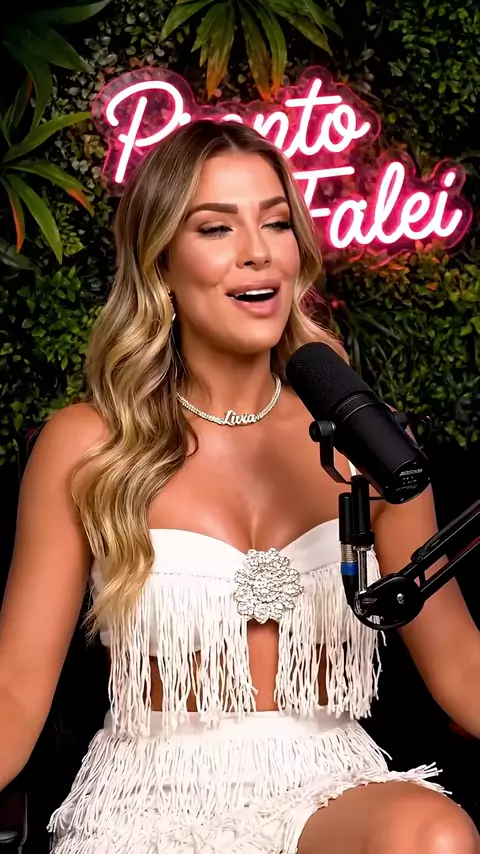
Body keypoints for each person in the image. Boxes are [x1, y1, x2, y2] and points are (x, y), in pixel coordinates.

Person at [0, 119, 479, 854]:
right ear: (161, 263)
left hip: (330, 789)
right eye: (216, 227)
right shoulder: (89, 444)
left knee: (433, 833)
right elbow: (14, 688)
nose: (258, 250)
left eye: (276, 222)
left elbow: (461, 663)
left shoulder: (369, 442)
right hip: (151, 800)